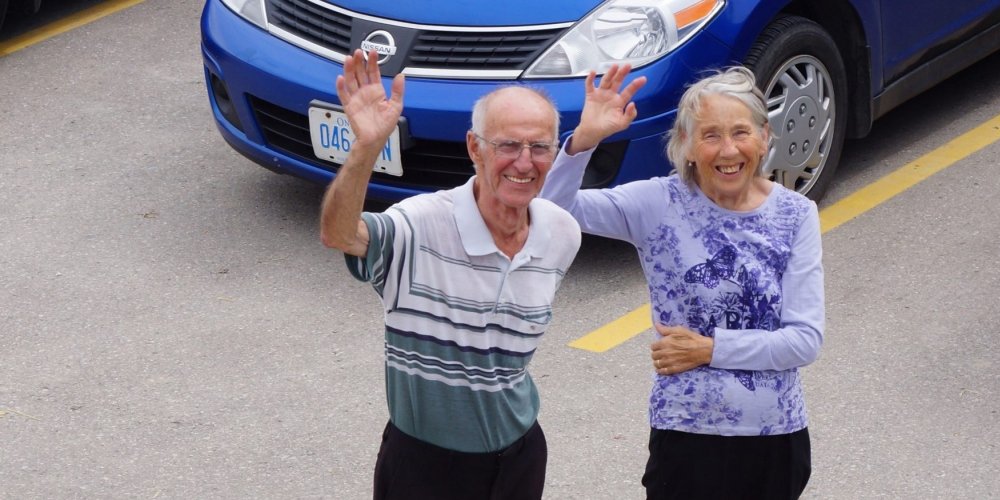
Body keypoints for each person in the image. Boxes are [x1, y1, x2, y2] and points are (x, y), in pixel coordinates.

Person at [319, 48, 613, 499]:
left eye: (539, 147)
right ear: (474, 147)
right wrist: (365, 150)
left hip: (520, 456)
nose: (524, 161)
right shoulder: (420, 222)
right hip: (425, 466)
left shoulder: (561, 233)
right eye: (508, 145)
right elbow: (341, 234)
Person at [541, 66, 825, 499]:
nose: (728, 150)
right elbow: (550, 211)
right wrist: (583, 142)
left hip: (775, 435)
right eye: (710, 135)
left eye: (740, 132)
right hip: (687, 432)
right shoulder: (657, 203)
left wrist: (709, 350)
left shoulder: (795, 215)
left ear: (764, 137)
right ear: (687, 146)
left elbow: (803, 341)